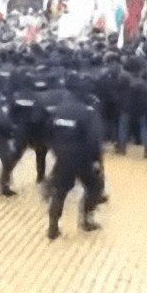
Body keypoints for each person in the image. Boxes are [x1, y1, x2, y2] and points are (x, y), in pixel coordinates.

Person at [44, 90, 104, 241]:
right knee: (95, 185)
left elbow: (47, 132)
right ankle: (86, 219)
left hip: (62, 157)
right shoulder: (87, 113)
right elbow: (93, 139)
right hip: (82, 158)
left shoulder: (58, 111)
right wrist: (96, 159)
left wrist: (56, 150)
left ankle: (53, 227)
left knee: (59, 191)